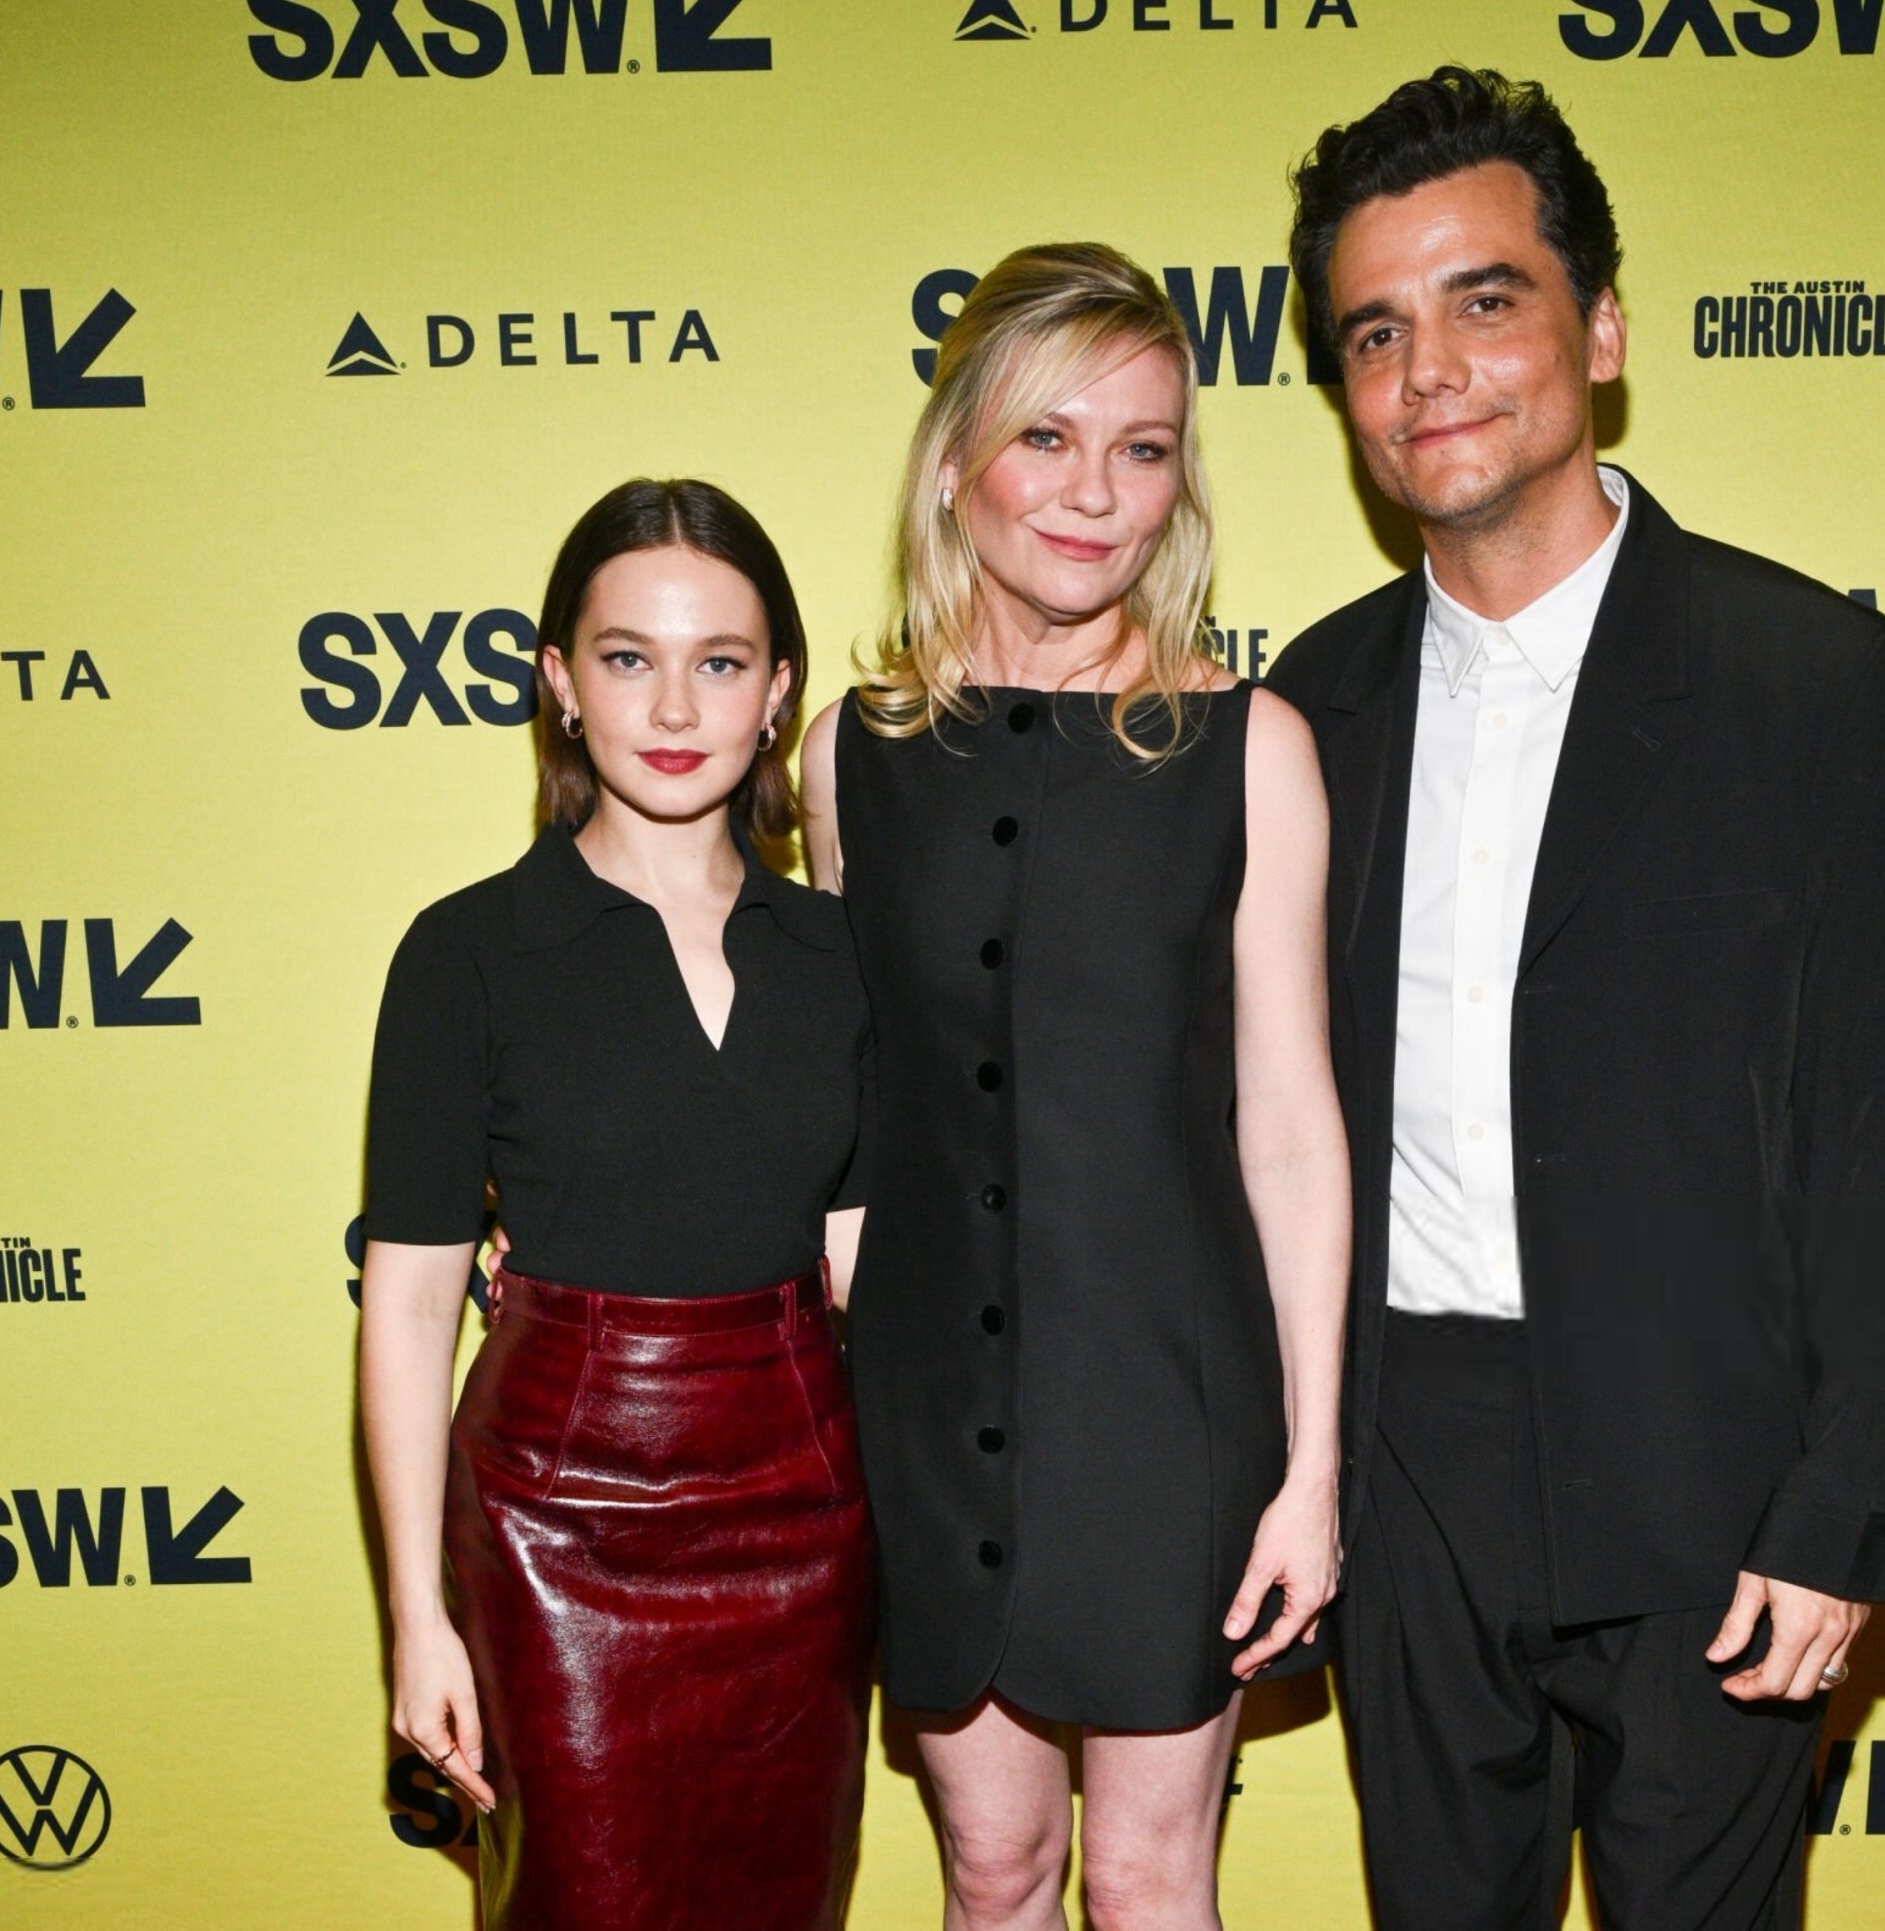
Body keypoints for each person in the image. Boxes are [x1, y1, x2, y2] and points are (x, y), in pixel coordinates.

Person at [1264, 69, 1885, 1930]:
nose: (1430, 372)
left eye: (1485, 301)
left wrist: (1840, 1511)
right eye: (1376, 333)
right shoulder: (1307, 710)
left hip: (1709, 1463)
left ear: (1603, 329)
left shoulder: (1813, 682)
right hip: (1406, 1472)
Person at [799, 243, 1350, 1931]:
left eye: (1143, 447)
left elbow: (1291, 1131)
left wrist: (1312, 1468)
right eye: (1047, 438)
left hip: (1166, 1408)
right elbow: (843, 1107)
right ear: (954, 459)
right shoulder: (849, 755)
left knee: (1146, 1876)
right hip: (925, 1404)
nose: (1096, 494)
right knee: (995, 1870)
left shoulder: (1250, 748)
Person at [358, 479, 875, 1931]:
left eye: (722, 661)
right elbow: (410, 1306)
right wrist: (417, 1620)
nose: (676, 704)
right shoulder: (468, 952)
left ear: (778, 693)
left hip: (804, 1522)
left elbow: (862, 1265)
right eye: (628, 656)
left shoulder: (841, 956)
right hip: (551, 1525)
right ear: (560, 682)